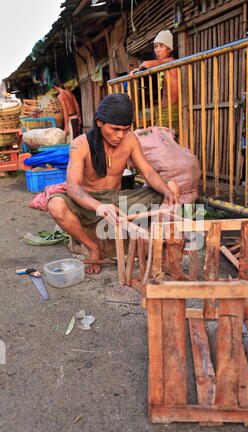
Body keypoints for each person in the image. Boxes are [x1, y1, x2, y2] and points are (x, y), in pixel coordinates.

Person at [47, 93, 179, 274]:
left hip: (119, 201)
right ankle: (93, 247)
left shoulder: (130, 139)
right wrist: (99, 207)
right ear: (100, 122)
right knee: (55, 204)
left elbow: (147, 172)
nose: (120, 135)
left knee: (171, 187)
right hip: (89, 203)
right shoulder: (80, 144)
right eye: (115, 129)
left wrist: (167, 191)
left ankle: (151, 243)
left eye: (125, 129)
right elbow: (73, 187)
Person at [130, 30, 179, 133]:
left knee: (163, 142)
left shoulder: (170, 61)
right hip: (163, 111)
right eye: (155, 46)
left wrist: (139, 70)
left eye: (161, 46)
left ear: (169, 49)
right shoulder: (163, 66)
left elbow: (146, 64)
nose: (158, 50)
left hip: (171, 110)